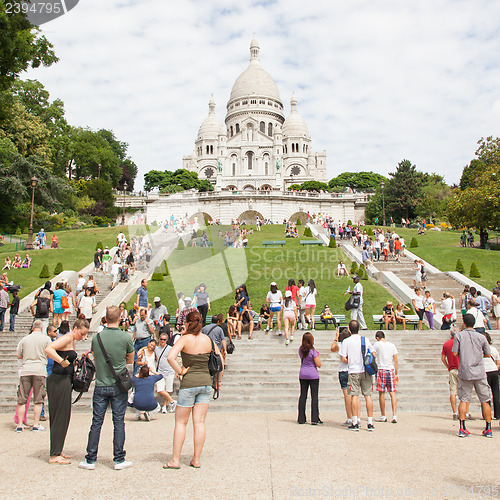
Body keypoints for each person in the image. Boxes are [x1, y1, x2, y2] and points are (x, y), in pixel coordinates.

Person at [165, 310, 222, 469]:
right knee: (200, 422)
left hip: (189, 383)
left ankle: (175, 460)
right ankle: (196, 459)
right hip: (205, 383)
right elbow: (220, 360)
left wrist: (180, 371)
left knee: (181, 422)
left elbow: (170, 357)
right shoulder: (208, 340)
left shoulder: (185, 339)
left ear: (188, 323)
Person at [79, 306, 134, 470]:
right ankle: (118, 459)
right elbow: (130, 359)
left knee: (96, 422)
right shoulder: (126, 337)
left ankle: (90, 459)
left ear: (105, 318)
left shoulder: (97, 338)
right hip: (118, 386)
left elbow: (96, 357)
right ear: (119, 318)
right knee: (118, 422)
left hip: (101, 384)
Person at [45, 318, 89, 464]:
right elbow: (49, 349)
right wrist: (60, 361)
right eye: (82, 334)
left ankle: (58, 449)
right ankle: (54, 454)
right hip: (58, 380)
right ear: (75, 328)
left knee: (63, 415)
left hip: (64, 379)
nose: (82, 337)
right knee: (59, 415)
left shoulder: (71, 340)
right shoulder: (67, 337)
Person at [452, 313, 492, 438]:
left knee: (464, 399)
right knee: (485, 400)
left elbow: (454, 353)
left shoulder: (459, 336)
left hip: (465, 371)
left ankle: (462, 427)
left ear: (464, 322)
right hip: (479, 371)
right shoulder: (481, 337)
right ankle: (488, 428)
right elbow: (488, 353)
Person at [15, 320, 51, 432]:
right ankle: (36, 424)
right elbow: (50, 353)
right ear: (41, 328)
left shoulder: (25, 339)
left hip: (26, 370)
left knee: (22, 400)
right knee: (38, 400)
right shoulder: (46, 339)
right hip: (39, 370)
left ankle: (20, 425)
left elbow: (18, 355)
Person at [339, 320, 375, 431]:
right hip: (365, 370)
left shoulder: (346, 341)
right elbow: (373, 353)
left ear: (349, 329)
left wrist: (351, 361)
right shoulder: (365, 339)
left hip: (353, 370)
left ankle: (355, 422)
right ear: (359, 328)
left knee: (354, 395)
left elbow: (343, 358)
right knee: (367, 396)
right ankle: (370, 422)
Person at [373, 331, 398, 423]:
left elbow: (373, 354)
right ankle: (394, 415)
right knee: (392, 393)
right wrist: (396, 373)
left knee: (381, 393)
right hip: (390, 369)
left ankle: (383, 415)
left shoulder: (377, 344)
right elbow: (395, 359)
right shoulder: (391, 345)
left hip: (381, 368)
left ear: (377, 338)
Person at [297, 332, 321, 425]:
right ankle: (315, 418)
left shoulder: (300, 349)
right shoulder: (313, 351)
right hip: (313, 375)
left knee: (303, 396)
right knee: (314, 397)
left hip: (303, 373)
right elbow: (318, 364)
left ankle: (301, 418)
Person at [331, 327, 352, 426]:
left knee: (347, 395)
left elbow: (332, 348)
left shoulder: (341, 345)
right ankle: (357, 417)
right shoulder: (353, 344)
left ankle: (349, 418)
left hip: (344, 371)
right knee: (355, 395)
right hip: (353, 370)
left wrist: (336, 338)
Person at [155, 333, 178, 413]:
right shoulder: (156, 348)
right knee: (160, 390)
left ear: (167, 340)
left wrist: (177, 370)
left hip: (169, 371)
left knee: (167, 389)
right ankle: (172, 402)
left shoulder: (170, 348)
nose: (162, 341)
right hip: (160, 372)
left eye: (164, 339)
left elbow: (175, 359)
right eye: (161, 339)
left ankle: (164, 406)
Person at [441, 328, 460, 419]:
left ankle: (455, 412)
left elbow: (442, 358)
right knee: (464, 392)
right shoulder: (461, 343)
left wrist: (448, 366)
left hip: (452, 369)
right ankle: (466, 412)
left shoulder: (446, 344)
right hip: (462, 369)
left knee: (453, 392)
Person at [482, 332, 500, 420]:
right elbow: (498, 363)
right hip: (494, 371)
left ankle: (486, 414)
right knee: (496, 393)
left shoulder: (480, 350)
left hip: (484, 371)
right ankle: (497, 414)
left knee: (485, 394)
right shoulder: (493, 349)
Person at [133, 307, 155, 375]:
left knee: (145, 358)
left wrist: (148, 324)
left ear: (146, 315)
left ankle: (145, 373)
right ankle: (135, 374)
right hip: (137, 341)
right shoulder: (137, 321)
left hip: (145, 340)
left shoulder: (149, 321)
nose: (142, 317)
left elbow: (152, 331)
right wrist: (132, 340)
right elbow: (134, 332)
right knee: (136, 358)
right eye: (141, 315)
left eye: (143, 315)